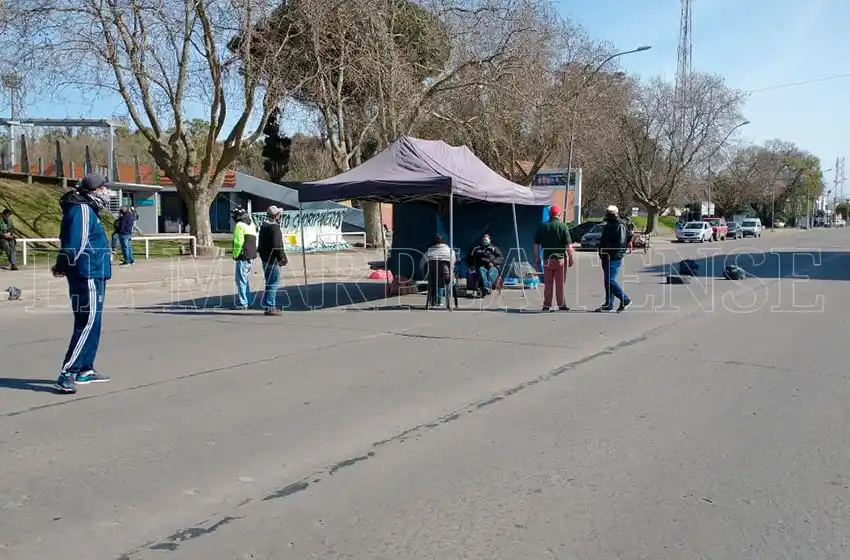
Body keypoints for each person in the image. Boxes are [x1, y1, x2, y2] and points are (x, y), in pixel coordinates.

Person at [51, 173, 113, 394]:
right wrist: (62, 266)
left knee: (93, 322)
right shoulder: (82, 210)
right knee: (86, 323)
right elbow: (75, 245)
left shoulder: (88, 209)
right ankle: (67, 373)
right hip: (87, 273)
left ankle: (85, 369)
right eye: (103, 187)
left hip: (95, 272)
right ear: (94, 191)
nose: (107, 191)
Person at [533, 204, 574, 311]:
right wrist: (571, 258)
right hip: (560, 259)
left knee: (548, 283)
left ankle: (547, 304)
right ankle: (561, 304)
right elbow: (568, 246)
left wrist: (537, 258)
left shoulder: (542, 227)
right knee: (560, 284)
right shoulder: (563, 226)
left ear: (550, 214)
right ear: (558, 214)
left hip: (547, 259)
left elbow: (536, 245)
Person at [596, 205, 632, 313]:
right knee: (608, 281)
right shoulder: (609, 224)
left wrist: (609, 250)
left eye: (610, 213)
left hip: (613, 256)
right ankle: (609, 303)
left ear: (615, 214)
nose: (608, 215)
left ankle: (624, 299)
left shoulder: (619, 225)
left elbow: (620, 242)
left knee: (610, 280)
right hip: (606, 255)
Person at [257, 206, 288, 316]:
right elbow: (277, 246)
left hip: (265, 259)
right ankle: (270, 306)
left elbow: (260, 245)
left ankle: (268, 304)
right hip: (273, 260)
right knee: (273, 284)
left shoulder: (263, 227)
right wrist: (282, 258)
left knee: (269, 282)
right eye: (279, 214)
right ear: (276, 216)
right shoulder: (274, 228)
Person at [231, 207, 258, 310]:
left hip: (243, 255)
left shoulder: (239, 225)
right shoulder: (251, 225)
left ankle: (244, 303)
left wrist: (235, 254)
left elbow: (238, 242)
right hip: (251, 254)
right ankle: (248, 301)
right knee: (245, 279)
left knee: (240, 280)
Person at [420, 234, 457, 307]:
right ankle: (450, 303)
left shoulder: (429, 252)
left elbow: (421, 265)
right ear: (444, 242)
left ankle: (432, 302)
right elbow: (452, 265)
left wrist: (424, 274)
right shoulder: (450, 251)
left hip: (432, 278)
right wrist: (452, 275)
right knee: (449, 278)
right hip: (446, 278)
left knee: (434, 279)